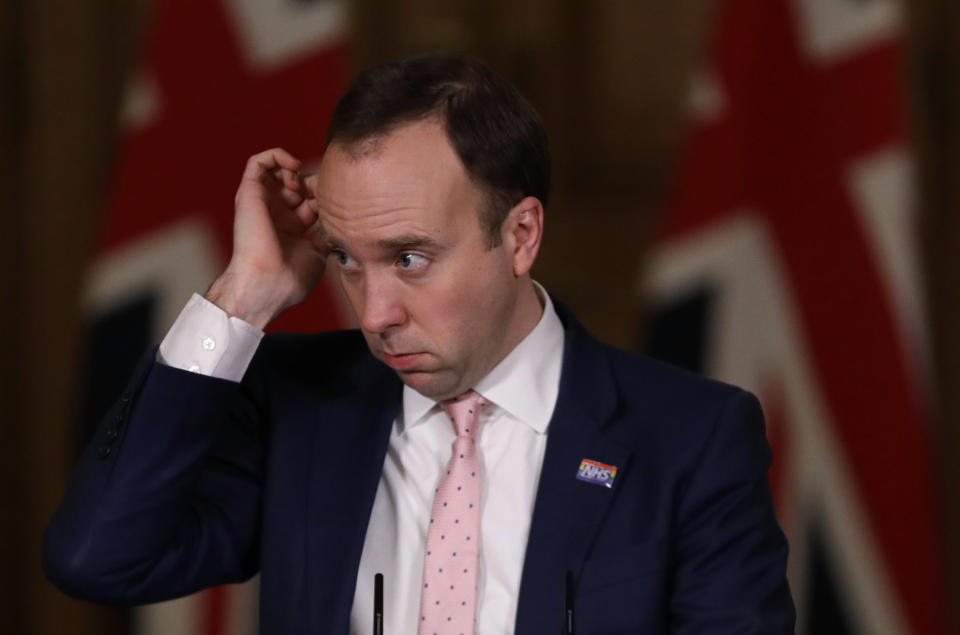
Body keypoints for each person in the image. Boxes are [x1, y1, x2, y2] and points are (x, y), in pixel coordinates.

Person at [44, 54, 795, 633]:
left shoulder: (690, 437)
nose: (374, 313)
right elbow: (99, 556)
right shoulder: (298, 404)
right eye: (345, 257)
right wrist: (243, 296)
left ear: (520, 233)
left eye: (408, 258)